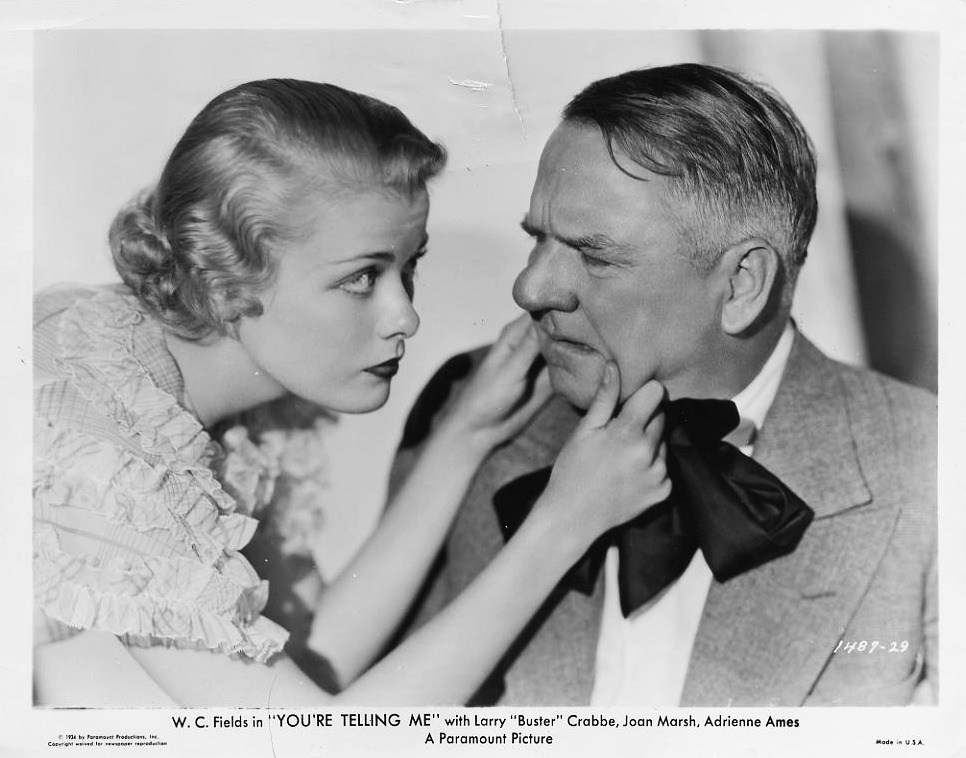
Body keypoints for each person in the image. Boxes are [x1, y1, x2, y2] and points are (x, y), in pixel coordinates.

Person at [32, 78, 673, 707]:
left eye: (408, 265)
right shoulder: (105, 457)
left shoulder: (182, 369)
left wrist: (464, 437)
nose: (406, 317)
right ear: (224, 282)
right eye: (363, 277)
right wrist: (564, 523)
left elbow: (313, 657)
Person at [391, 63, 937, 707]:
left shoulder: (931, 469)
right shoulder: (471, 413)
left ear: (742, 286)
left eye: (595, 255)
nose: (530, 288)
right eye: (538, 239)